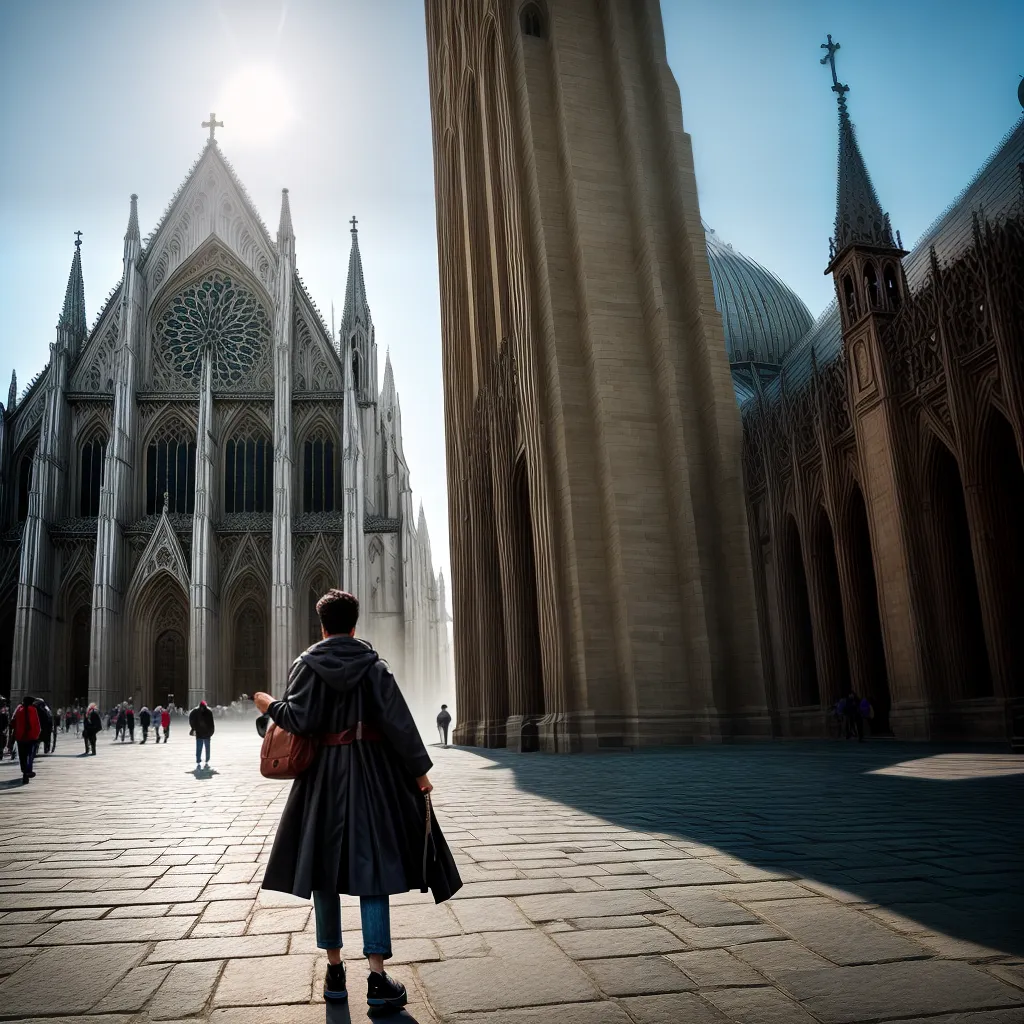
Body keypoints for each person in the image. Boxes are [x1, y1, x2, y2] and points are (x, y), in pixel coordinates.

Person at [254, 589, 462, 1010]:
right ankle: (378, 979)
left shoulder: (305, 665)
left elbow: (300, 720)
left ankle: (334, 972)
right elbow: (400, 724)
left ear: (322, 626)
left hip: (321, 781)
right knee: (373, 872)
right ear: (354, 625)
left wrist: (268, 705)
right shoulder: (374, 666)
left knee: (322, 874)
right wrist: (420, 775)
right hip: (370, 777)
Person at [12, 695, 41, 784]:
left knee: (22, 756)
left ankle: (24, 771)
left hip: (21, 737)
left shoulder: (19, 710)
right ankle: (28, 771)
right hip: (31, 737)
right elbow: (37, 723)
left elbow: (13, 722)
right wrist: (37, 735)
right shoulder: (33, 710)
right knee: (30, 755)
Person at [188, 700, 215, 769]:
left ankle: (199, 760)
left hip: (200, 733)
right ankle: (206, 759)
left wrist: (193, 728)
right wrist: (211, 732)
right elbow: (211, 724)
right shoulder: (208, 712)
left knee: (199, 747)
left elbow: (191, 719)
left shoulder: (195, 711)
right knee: (206, 747)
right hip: (205, 733)